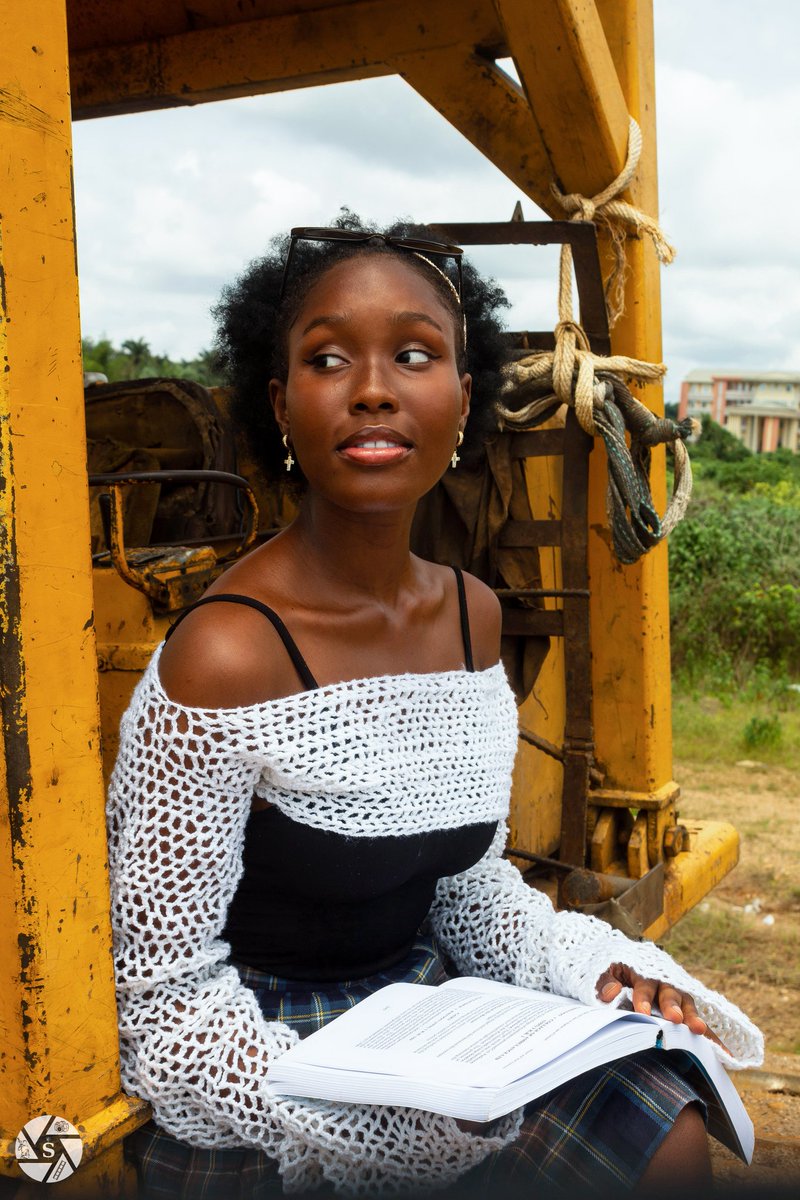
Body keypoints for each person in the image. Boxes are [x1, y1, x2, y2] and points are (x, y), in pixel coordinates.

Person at [110, 215, 762, 1198]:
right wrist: (370, 1127)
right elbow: (163, 996)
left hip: (425, 1014)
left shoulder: (469, 616)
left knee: (658, 1123)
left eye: (413, 355)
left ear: (462, 400)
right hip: (253, 1051)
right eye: (329, 359)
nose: (373, 387)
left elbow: (465, 884)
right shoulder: (224, 653)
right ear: (281, 406)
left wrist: (591, 970)